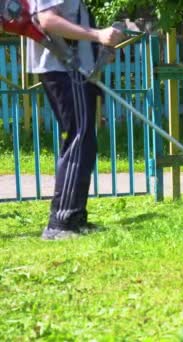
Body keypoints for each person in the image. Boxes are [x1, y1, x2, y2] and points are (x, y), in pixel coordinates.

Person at [26, 0, 124, 240]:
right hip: (64, 69)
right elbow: (47, 20)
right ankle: (61, 222)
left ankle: (75, 217)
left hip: (76, 69)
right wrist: (98, 35)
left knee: (84, 141)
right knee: (79, 139)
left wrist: (98, 50)